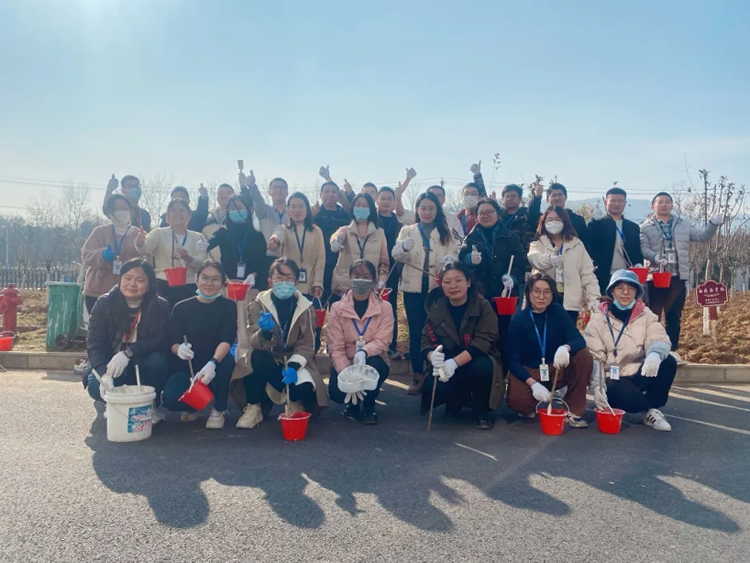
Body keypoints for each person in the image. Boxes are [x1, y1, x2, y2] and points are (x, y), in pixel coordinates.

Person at [237, 258, 328, 429]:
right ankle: (254, 407)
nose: (284, 283)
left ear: (297, 281)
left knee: (305, 388)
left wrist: (293, 365)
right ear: (270, 281)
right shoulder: (258, 304)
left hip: (295, 359)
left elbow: (308, 343)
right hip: (269, 357)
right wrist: (264, 332)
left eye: (289, 278)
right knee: (255, 357)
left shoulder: (306, 308)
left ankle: (295, 402)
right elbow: (253, 341)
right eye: (279, 278)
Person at [584, 270, 676, 431]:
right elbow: (594, 356)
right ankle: (641, 405)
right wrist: (598, 387)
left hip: (639, 371)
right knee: (631, 401)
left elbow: (658, 336)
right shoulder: (599, 319)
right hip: (612, 378)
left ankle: (652, 410)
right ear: (612, 291)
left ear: (636, 292)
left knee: (668, 362)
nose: (625, 292)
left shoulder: (645, 314)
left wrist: (655, 354)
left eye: (631, 288)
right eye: (620, 288)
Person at [84, 259, 170, 424]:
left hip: (142, 361)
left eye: (140, 280)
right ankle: (115, 404)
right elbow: (94, 343)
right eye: (127, 278)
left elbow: (159, 339)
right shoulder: (104, 303)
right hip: (111, 362)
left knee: (157, 362)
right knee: (95, 386)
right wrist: (103, 374)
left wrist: (128, 353)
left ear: (149, 285)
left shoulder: (159, 305)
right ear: (120, 279)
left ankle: (151, 404)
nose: (132, 284)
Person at [421, 262, 504, 429]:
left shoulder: (483, 306)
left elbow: (484, 341)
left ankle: (481, 410)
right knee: (432, 385)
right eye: (447, 282)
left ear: (468, 282)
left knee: (482, 367)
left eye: (458, 280)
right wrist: (432, 356)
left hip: (476, 359)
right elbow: (425, 341)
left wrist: (455, 363)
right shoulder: (436, 309)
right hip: (448, 360)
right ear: (441, 285)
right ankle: (454, 401)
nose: (453, 286)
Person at [640, 192, 723, 357]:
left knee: (673, 317)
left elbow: (701, 236)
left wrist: (712, 225)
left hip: (677, 278)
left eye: (667, 202)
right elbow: (643, 248)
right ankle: (649, 351)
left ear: (672, 205)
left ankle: (671, 352)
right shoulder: (645, 227)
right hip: (655, 278)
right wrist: (655, 257)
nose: (664, 205)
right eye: (660, 202)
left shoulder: (683, 225)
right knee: (651, 316)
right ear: (653, 206)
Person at [506, 273, 593, 428]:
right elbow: (512, 361)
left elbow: (578, 339)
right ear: (529, 293)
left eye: (547, 292)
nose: (541, 296)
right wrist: (533, 384)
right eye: (536, 291)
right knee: (518, 402)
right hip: (530, 370)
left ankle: (574, 411)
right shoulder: (519, 320)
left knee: (583, 355)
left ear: (553, 294)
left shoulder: (557, 312)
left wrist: (565, 348)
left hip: (555, 367)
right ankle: (534, 400)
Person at [393, 192, 459, 392]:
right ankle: (417, 374)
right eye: (423, 208)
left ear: (437, 210)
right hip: (412, 291)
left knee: (439, 330)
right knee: (416, 332)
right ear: (417, 210)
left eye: (431, 208)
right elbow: (396, 255)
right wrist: (404, 248)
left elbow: (455, 253)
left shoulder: (446, 231)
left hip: (438, 291)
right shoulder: (407, 230)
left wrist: (450, 260)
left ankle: (436, 373)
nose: (427, 212)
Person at [162, 261, 237, 429]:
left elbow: (227, 339)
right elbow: (170, 340)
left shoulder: (228, 306)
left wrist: (213, 362)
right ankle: (192, 405)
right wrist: (179, 349)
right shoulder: (182, 307)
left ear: (222, 282)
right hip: (188, 365)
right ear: (196, 279)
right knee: (170, 399)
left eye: (215, 279)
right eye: (205, 278)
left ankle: (219, 409)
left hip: (216, 361)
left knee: (226, 363)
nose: (209, 283)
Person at [327, 260, 394, 424]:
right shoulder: (337, 308)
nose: (361, 280)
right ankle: (353, 405)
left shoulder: (385, 307)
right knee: (336, 393)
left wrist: (364, 352)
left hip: (372, 359)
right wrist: (348, 375)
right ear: (350, 278)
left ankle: (369, 406)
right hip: (347, 361)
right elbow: (335, 346)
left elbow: (383, 340)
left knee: (374, 365)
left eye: (366, 276)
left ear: (373, 280)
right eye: (356, 275)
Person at [528, 206, 600, 323]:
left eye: (557, 219)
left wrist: (594, 297)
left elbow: (587, 274)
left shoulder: (577, 245)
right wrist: (549, 260)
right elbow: (534, 259)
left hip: (570, 302)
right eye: (549, 219)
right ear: (543, 222)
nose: (553, 222)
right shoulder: (537, 244)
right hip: (543, 300)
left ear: (564, 221)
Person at [134, 199, 208, 310]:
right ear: (167, 215)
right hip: (163, 284)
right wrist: (139, 242)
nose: (178, 214)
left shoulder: (198, 237)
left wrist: (188, 258)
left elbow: (203, 262)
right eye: (174, 210)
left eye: (182, 210)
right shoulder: (159, 233)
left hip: (190, 285)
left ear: (189, 215)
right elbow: (145, 248)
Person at [459, 198, 527, 301]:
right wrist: (469, 259)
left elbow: (520, 263)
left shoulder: (510, 238)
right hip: (478, 295)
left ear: (498, 214)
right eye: (481, 213)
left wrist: (512, 277)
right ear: (477, 216)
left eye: (490, 212)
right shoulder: (470, 239)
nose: (485, 216)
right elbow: (461, 260)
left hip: (505, 294)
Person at [82, 194, 139, 314]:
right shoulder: (100, 231)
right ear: (109, 213)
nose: (120, 211)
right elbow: (87, 255)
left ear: (131, 211)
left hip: (128, 292)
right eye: (115, 208)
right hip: (97, 291)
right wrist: (102, 255)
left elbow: (146, 261)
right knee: (98, 324)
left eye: (124, 207)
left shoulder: (138, 234)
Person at [329, 193, 389, 302]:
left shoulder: (379, 233)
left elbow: (384, 261)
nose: (361, 208)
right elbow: (337, 236)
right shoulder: (345, 230)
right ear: (353, 207)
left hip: (369, 286)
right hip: (346, 287)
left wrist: (381, 281)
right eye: (358, 205)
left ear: (371, 209)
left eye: (365, 206)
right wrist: (335, 241)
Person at [267, 192, 326, 300]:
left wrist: (318, 283)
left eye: (300, 206)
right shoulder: (284, 229)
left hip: (310, 287)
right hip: (287, 287)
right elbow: (278, 236)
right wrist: (274, 240)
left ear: (307, 209)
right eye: (293, 206)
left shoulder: (316, 232)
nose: (297, 210)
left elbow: (320, 260)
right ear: (288, 210)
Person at [204, 194, 268, 290]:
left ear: (247, 210)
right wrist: (204, 244)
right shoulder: (223, 232)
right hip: (228, 283)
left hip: (252, 284)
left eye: (240, 207)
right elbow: (211, 241)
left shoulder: (257, 235)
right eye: (233, 208)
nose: (236, 211)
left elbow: (262, 261)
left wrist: (253, 275)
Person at [588, 187, 644, 294]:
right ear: (605, 202)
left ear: (625, 203)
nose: (616, 204)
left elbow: (637, 250)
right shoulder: (598, 224)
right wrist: (595, 222)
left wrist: (638, 264)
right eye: (613, 201)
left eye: (620, 201)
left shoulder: (632, 227)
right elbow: (590, 245)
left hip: (626, 275)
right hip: (603, 274)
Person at [312, 181, 352, 304]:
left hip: (340, 267)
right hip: (318, 267)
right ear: (320, 194)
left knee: (339, 307)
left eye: (334, 192)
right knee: (318, 306)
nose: (330, 194)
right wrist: (309, 216)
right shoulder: (314, 214)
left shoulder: (345, 216)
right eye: (327, 191)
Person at [376, 186, 403, 358]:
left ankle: (391, 345)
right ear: (377, 201)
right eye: (383, 198)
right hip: (372, 270)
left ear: (394, 203)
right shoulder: (371, 221)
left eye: (389, 198)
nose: (386, 202)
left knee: (390, 307)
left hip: (392, 271)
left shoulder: (399, 225)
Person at [240, 169, 289, 258]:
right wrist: (252, 186)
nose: (279, 190)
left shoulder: (293, 213)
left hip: (289, 258)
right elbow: (257, 200)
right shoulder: (264, 210)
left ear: (287, 192)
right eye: (275, 187)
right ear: (269, 193)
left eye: (282, 187)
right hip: (269, 259)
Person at [498, 182, 543, 254]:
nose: (510, 198)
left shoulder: (527, 216)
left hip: (522, 257)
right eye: (507, 196)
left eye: (513, 196)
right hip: (499, 257)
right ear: (502, 199)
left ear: (520, 199)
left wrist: (537, 197)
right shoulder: (497, 217)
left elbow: (534, 210)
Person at [546, 183, 589, 251]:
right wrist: (537, 198)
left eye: (560, 195)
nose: (557, 198)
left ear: (566, 197)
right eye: (553, 195)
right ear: (547, 200)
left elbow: (586, 246)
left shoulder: (578, 220)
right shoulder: (542, 220)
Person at [202, 183, 236, 262]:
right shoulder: (208, 217)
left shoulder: (238, 216)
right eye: (220, 193)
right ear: (217, 197)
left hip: (233, 263)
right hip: (211, 264)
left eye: (228, 193)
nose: (224, 196)